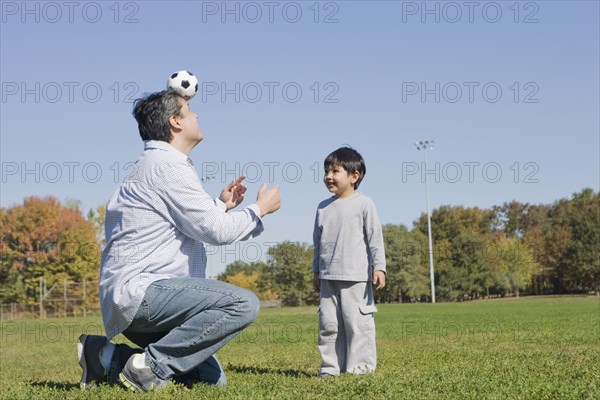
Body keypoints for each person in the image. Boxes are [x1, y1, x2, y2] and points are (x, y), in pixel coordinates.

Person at [77, 89, 281, 392]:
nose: (197, 115)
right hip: (144, 296)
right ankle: (150, 368)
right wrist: (259, 210)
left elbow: (190, 222)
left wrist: (222, 205)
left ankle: (104, 356)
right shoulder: (167, 166)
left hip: (132, 301)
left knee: (211, 380)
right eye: (189, 111)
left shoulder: (153, 166)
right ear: (175, 122)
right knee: (243, 303)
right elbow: (215, 231)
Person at [312, 146, 386, 377]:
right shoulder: (322, 208)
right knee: (329, 326)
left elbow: (375, 237)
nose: (329, 176)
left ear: (355, 176)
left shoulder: (364, 204)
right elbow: (317, 243)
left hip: (355, 277)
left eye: (335, 171)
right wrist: (316, 271)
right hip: (328, 278)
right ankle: (330, 368)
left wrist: (379, 267)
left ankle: (360, 368)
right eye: (326, 171)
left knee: (357, 325)